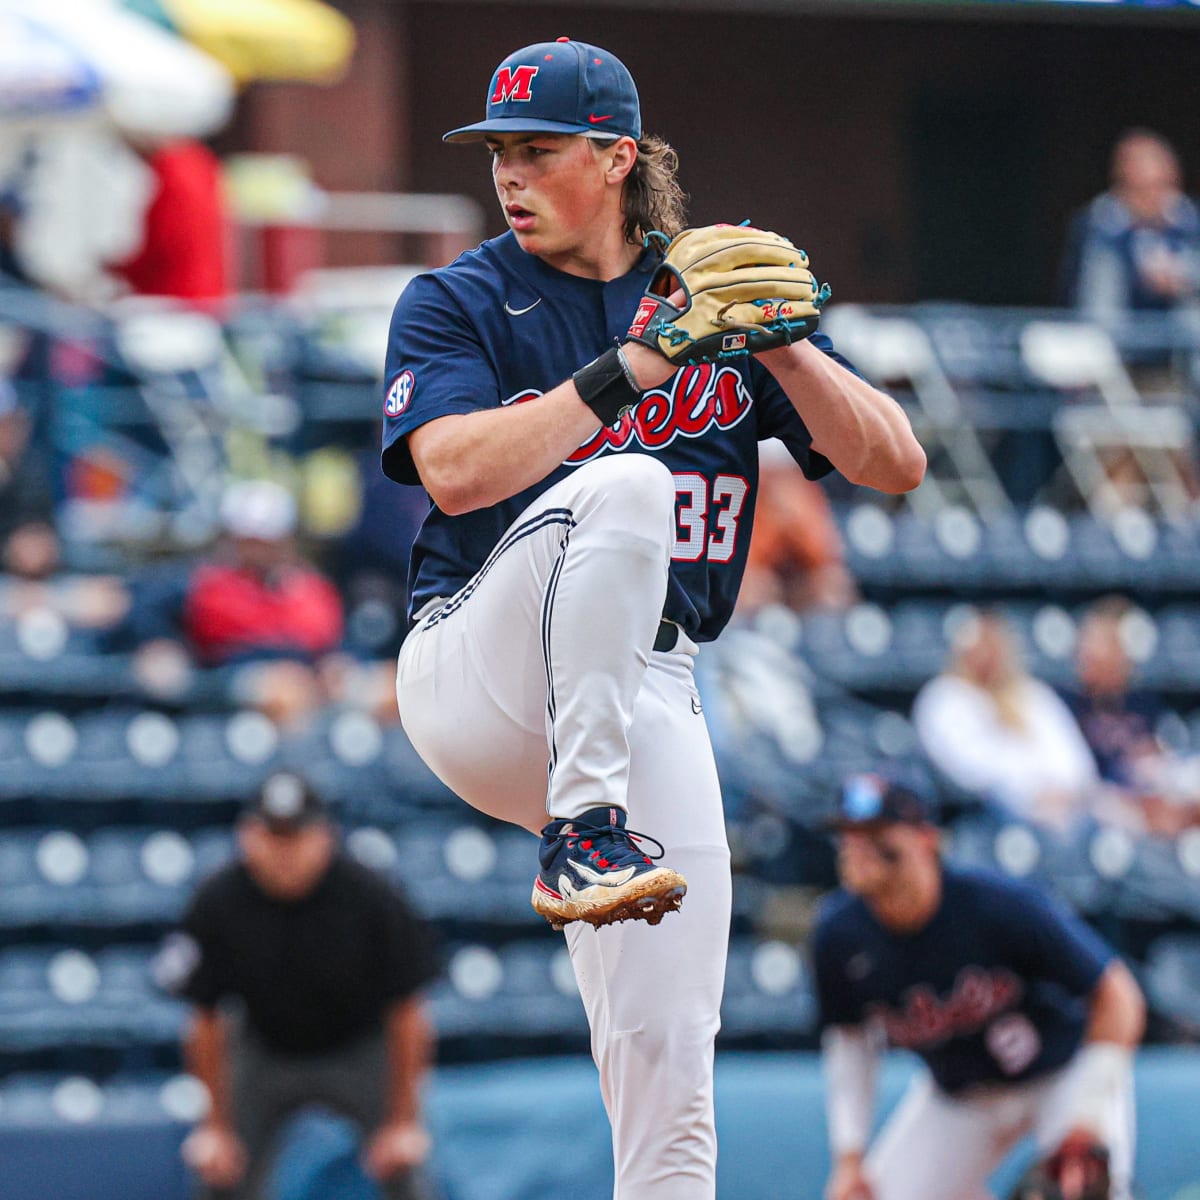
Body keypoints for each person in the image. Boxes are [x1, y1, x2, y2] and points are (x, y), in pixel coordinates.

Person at [380, 37, 925, 1199]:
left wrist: (785, 345)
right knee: (631, 484)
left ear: (618, 157)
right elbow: (455, 474)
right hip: (475, 665)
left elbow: (897, 462)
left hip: (642, 689)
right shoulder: (460, 297)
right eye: (499, 155)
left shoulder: (704, 291)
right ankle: (580, 831)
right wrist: (630, 367)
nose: (510, 176)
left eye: (538, 150)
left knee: (672, 1086)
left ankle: (594, 828)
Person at [813, 772, 1145, 1200]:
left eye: (875, 833)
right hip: (961, 1098)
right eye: (847, 836)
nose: (854, 848)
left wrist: (1088, 1112)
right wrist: (849, 1158)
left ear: (925, 839)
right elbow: (850, 1040)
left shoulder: (997, 905)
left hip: (1061, 1073)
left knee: (1082, 1188)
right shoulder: (839, 935)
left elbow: (1118, 995)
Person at [157, 770, 440, 1200]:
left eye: (297, 836)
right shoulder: (218, 899)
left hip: (359, 1050)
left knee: (405, 1172)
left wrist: (403, 1121)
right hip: (264, 1051)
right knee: (221, 1176)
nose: (284, 852)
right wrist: (214, 1127)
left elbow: (408, 1011)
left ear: (325, 835)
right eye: (273, 836)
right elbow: (204, 1019)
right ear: (247, 836)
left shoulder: (370, 895)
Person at [912, 610, 1099, 833]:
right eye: (979, 646)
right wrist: (1030, 793)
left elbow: (1075, 760)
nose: (986, 655)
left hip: (1064, 807)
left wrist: (1063, 791)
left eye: (992, 645)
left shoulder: (1032, 694)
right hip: (988, 813)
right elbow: (967, 769)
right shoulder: (944, 697)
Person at [1064, 130, 1200, 325]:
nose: (1154, 198)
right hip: (1116, 339)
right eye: (1142, 190)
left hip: (1187, 341)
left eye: (1161, 186)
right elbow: (1091, 302)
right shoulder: (1098, 223)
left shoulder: (1192, 220)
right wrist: (1137, 274)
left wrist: (1184, 278)